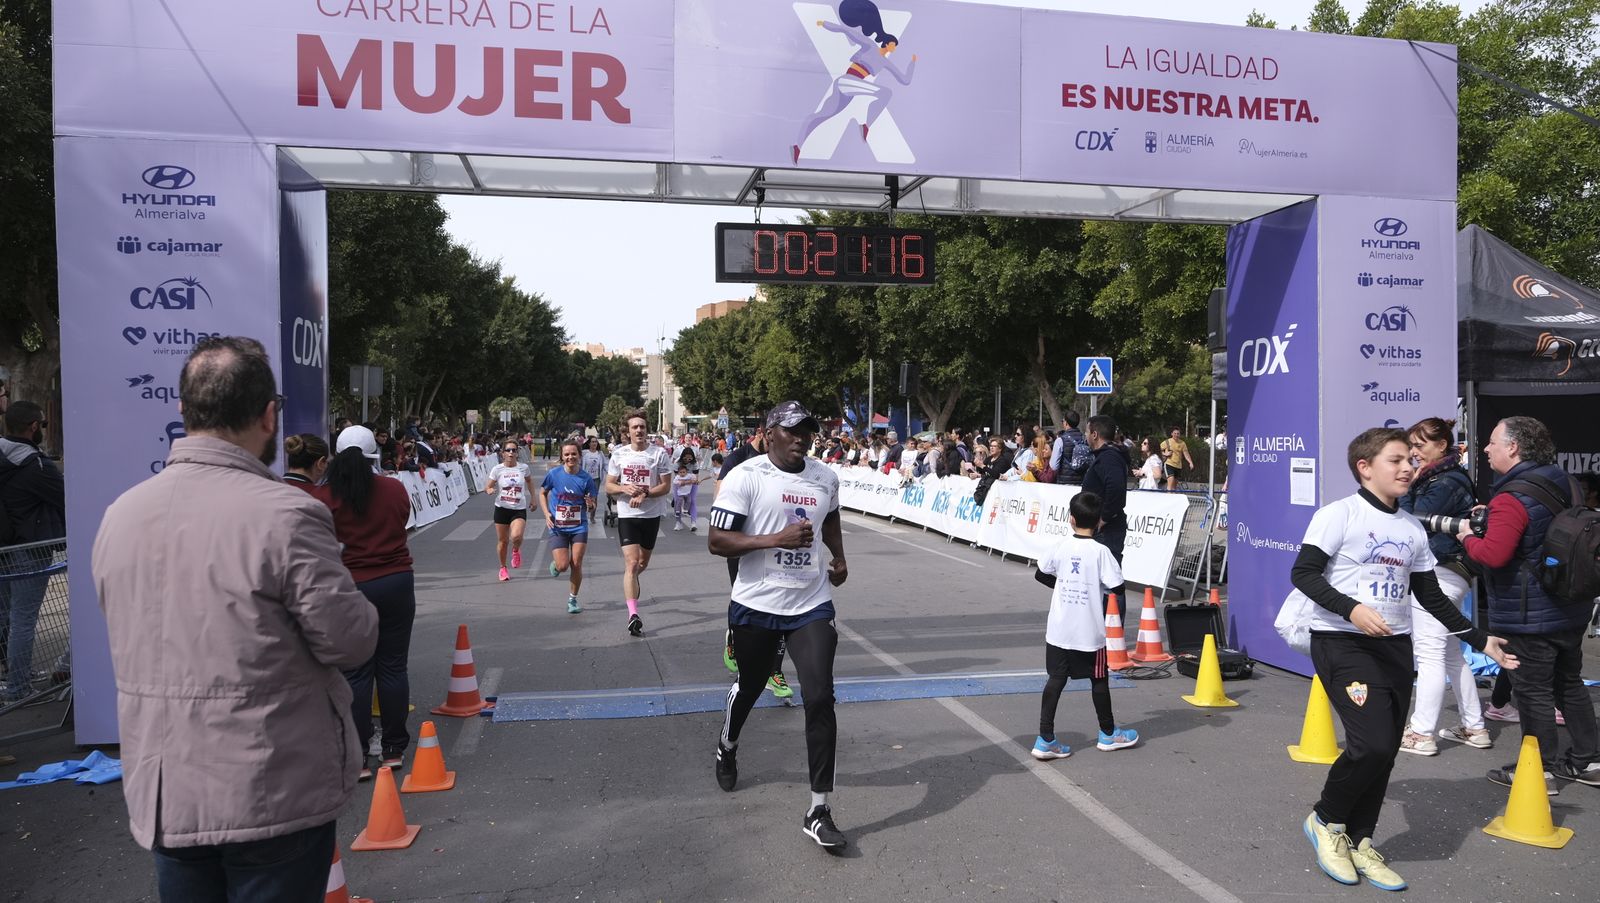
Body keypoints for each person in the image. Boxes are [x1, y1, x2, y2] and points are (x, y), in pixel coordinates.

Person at [91, 337, 378, 901]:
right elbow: (351, 640)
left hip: (166, 790)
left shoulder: (122, 514)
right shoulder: (288, 514)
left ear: (183, 409)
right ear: (270, 415)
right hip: (269, 789)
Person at [1293, 427, 1518, 891]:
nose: (1407, 468)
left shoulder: (1411, 527)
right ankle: (1326, 819)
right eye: (1395, 460)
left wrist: (1480, 639)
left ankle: (1360, 839)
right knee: (1371, 742)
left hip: (1395, 646)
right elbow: (1304, 573)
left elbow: (1431, 596)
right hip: (1342, 642)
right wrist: (1351, 609)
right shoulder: (1339, 515)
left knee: (1387, 750)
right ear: (1365, 467)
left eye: (1410, 460)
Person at [709, 401, 850, 849]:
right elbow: (717, 541)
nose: (801, 438)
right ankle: (728, 744)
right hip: (756, 604)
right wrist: (775, 539)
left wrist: (840, 556)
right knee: (750, 685)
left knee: (820, 696)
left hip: (810, 604)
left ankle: (818, 809)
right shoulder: (745, 477)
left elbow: (830, 518)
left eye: (807, 431)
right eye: (791, 431)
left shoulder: (825, 477)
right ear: (768, 433)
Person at [1459, 416, 1600, 791]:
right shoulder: (1564, 481)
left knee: (1532, 691)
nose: (1486, 449)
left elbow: (1492, 554)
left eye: (1491, 442)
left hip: (1528, 615)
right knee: (1568, 682)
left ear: (1514, 448)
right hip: (1569, 607)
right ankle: (1588, 761)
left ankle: (1540, 771)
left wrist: (1466, 536)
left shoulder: (1511, 497)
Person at [308, 425, 418, 779]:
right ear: (376, 452)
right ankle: (393, 748)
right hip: (395, 582)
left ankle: (357, 753)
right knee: (392, 666)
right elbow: (404, 521)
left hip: (350, 585)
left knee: (355, 672)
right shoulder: (393, 488)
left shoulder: (325, 496)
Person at [1395, 417, 1488, 755]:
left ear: (1442, 446)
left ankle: (1421, 734)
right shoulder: (1443, 477)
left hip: (1442, 572)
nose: (1414, 452)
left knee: (1431, 653)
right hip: (1449, 571)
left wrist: (1402, 488)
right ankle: (1474, 726)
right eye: (1412, 445)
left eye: (1419, 445)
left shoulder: (1446, 480)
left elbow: (1413, 521)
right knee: (1450, 654)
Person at [1030, 491, 1139, 761]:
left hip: (1059, 630)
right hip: (1089, 632)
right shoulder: (1101, 552)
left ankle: (1045, 739)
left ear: (1071, 519)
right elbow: (1118, 587)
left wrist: (1064, 584)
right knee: (1099, 679)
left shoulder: (1060, 546)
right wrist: (1093, 588)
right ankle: (1108, 733)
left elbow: (1040, 573)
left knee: (1055, 680)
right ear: (1098, 521)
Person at [716, 425, 793, 698]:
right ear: (765, 433)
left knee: (784, 605)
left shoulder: (789, 464)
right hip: (745, 544)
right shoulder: (737, 460)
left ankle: (775, 670)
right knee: (745, 598)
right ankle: (734, 640)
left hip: (782, 546)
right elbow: (719, 503)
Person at [792, 6, 918, 166]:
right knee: (885, 93)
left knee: (822, 115)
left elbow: (905, 80)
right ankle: (865, 125)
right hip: (848, 80)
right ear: (889, 43)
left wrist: (913, 63)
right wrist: (824, 23)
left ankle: (798, 147)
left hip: (848, 90)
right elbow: (848, 31)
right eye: (894, 45)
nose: (895, 48)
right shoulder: (871, 46)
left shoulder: (886, 62)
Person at [0, 400, 66, 702]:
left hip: (6, 546)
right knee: (24, 621)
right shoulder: (34, 465)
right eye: (43, 423)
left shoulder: (4, 454)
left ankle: (16, 676)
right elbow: (66, 496)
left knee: (10, 619)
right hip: (30, 549)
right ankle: (18, 689)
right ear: (33, 427)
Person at [605, 409, 674, 637]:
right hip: (627, 515)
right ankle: (633, 615)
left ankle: (631, 582)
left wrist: (645, 494)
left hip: (650, 515)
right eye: (635, 427)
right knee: (631, 563)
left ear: (647, 430)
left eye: (642, 427)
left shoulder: (659, 454)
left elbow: (665, 486)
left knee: (642, 564)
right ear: (628, 431)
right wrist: (625, 488)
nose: (639, 430)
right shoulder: (619, 454)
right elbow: (609, 486)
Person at [542, 439, 600, 614]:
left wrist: (590, 505)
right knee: (563, 566)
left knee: (577, 563)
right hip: (558, 527)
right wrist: (546, 514)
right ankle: (557, 565)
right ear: (562, 456)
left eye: (574, 454)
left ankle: (572, 599)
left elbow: (593, 505)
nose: (570, 457)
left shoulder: (586, 478)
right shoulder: (554, 474)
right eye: (566, 454)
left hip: (578, 526)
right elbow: (542, 492)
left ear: (579, 456)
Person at [1080, 415, 1131, 562]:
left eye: (1087, 432)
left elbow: (1116, 488)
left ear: (1094, 434)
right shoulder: (1106, 456)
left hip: (1106, 531)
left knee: (1107, 576)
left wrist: (1105, 517)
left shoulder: (1109, 457)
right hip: (1099, 528)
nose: (1086, 436)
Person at [485, 441, 531, 581]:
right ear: (503, 453)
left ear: (517, 453)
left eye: (514, 450)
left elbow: (530, 482)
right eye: (508, 450)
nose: (511, 453)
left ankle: (516, 550)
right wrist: (490, 490)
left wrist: (534, 499)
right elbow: (487, 487)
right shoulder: (497, 469)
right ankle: (503, 568)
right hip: (502, 508)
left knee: (516, 536)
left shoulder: (523, 468)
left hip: (518, 508)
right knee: (503, 541)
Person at [1051, 411, 1092, 486]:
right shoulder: (1085, 439)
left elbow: (1054, 466)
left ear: (1066, 423)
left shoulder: (1060, 440)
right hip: (1082, 481)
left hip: (1065, 482)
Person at [1161, 427, 1194, 491]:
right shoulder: (1167, 442)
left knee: (1174, 486)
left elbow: (1186, 453)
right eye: (1175, 433)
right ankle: (1169, 497)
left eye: (1178, 433)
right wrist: (1165, 454)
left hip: (1178, 466)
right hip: (1169, 464)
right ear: (1172, 434)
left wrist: (1190, 462)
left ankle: (1173, 497)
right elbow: (1158, 449)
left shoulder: (1182, 443)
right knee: (1171, 481)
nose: (1176, 435)